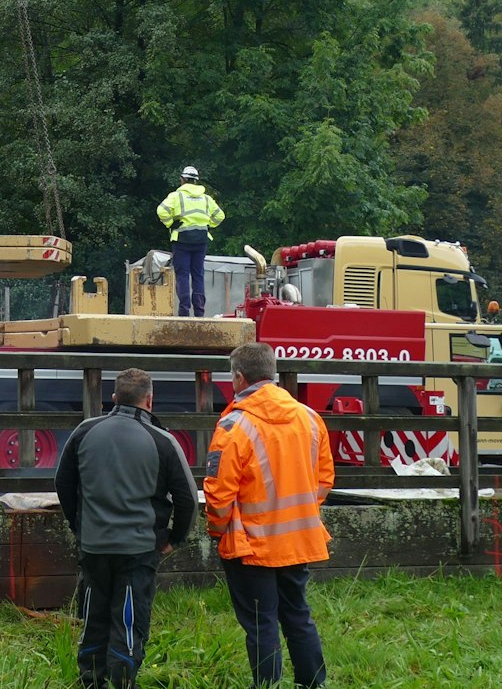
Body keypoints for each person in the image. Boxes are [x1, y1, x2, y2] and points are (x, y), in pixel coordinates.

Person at [54, 368, 198, 689]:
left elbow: (63, 483)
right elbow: (188, 499)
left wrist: (78, 525)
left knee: (94, 620)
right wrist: (174, 538)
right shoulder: (164, 441)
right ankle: (121, 683)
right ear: (150, 399)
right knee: (128, 625)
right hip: (139, 550)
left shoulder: (84, 431)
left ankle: (90, 681)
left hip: (93, 546)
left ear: (114, 398)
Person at [205, 342, 333, 688]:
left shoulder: (235, 425)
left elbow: (218, 491)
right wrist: (302, 512)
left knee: (261, 623)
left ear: (238, 377)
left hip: (251, 545)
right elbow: (324, 480)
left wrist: (218, 530)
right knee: (298, 615)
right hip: (298, 539)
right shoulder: (309, 418)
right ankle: (313, 683)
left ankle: (267, 684)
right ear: (272, 373)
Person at [156, 165, 225, 317]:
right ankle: (199, 312)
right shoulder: (206, 198)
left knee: (182, 275)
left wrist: (170, 223)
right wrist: (207, 225)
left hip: (182, 240)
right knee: (198, 275)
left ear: (183, 179)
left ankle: (184, 311)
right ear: (195, 181)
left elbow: (161, 210)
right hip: (200, 240)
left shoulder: (176, 196)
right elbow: (220, 216)